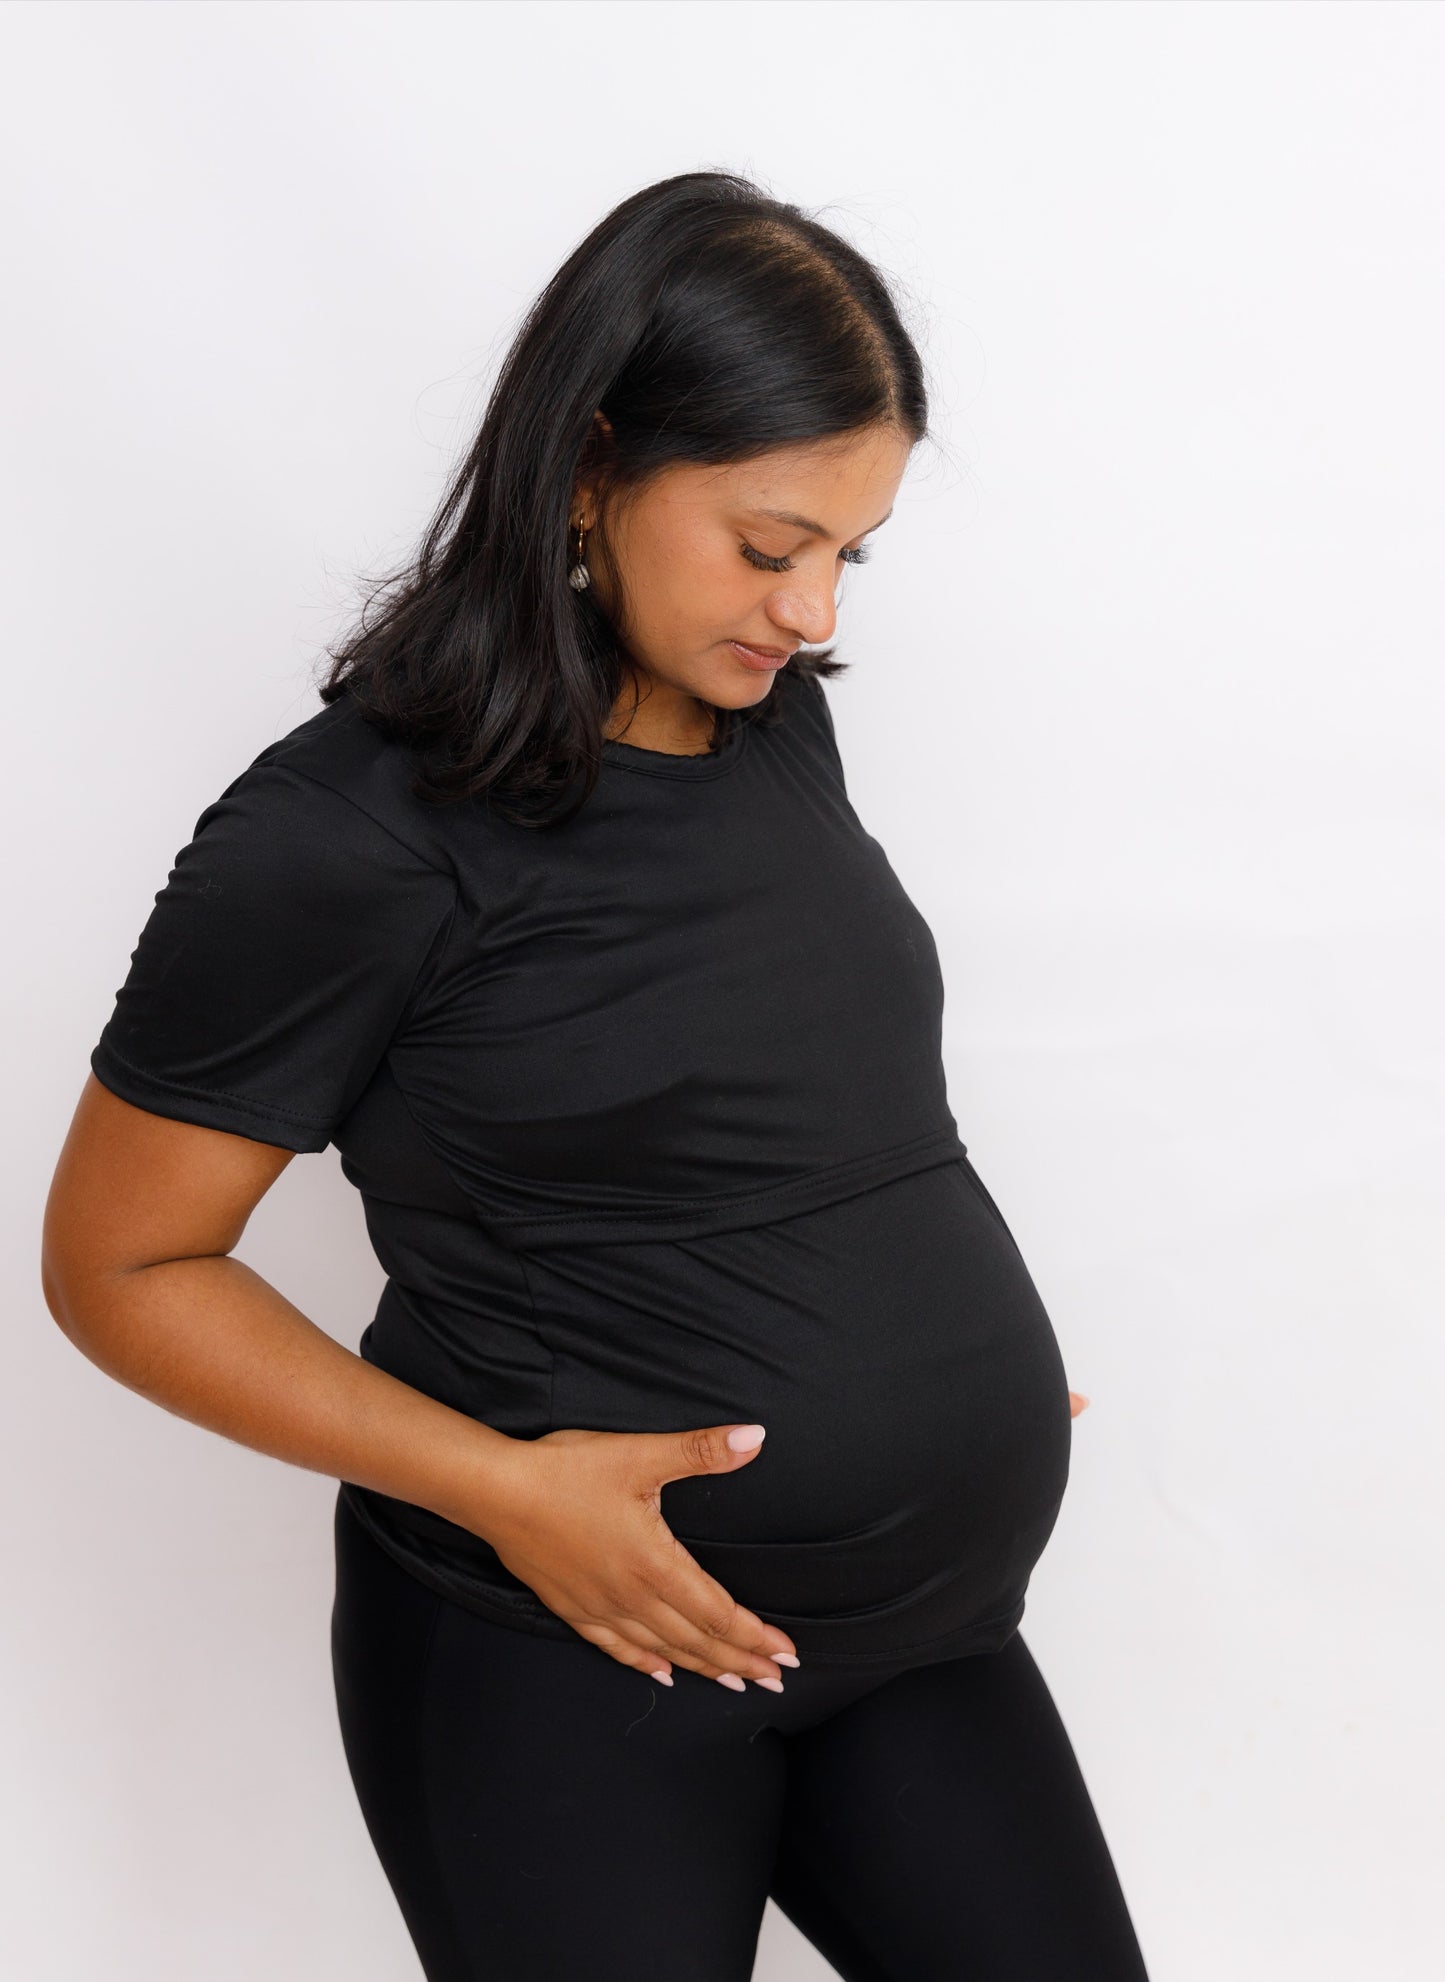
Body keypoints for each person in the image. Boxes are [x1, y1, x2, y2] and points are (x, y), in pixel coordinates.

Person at [42, 170, 1151, 1980]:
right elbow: (120, 1265)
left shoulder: (769, 719)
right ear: (589, 467)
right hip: (568, 1663)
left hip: (918, 1632)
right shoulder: (342, 840)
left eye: (847, 554)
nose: (807, 610)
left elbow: (780, 1092)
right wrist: (506, 1484)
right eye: (767, 539)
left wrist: (932, 1358)